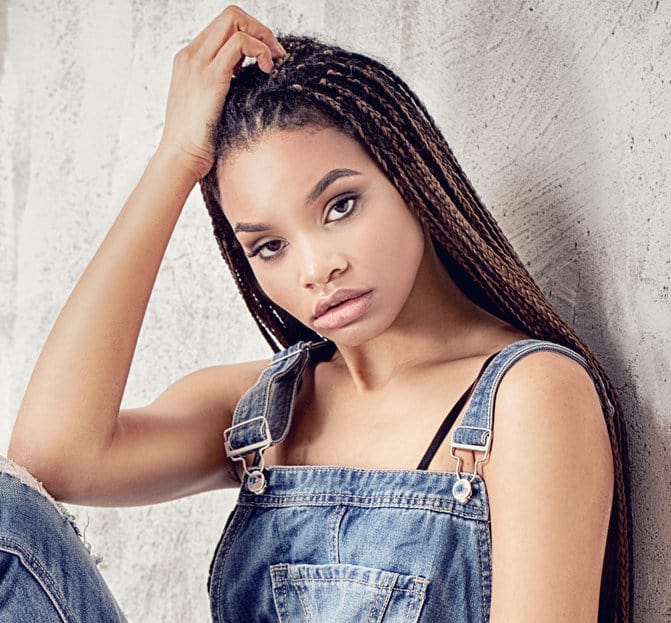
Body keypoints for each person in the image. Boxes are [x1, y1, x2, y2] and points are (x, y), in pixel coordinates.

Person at [1, 6, 632, 622]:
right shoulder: (265, 411)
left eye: (339, 205)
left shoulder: (528, 397)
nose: (315, 268)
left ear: (408, 176)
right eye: (269, 246)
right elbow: (53, 460)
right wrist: (175, 159)